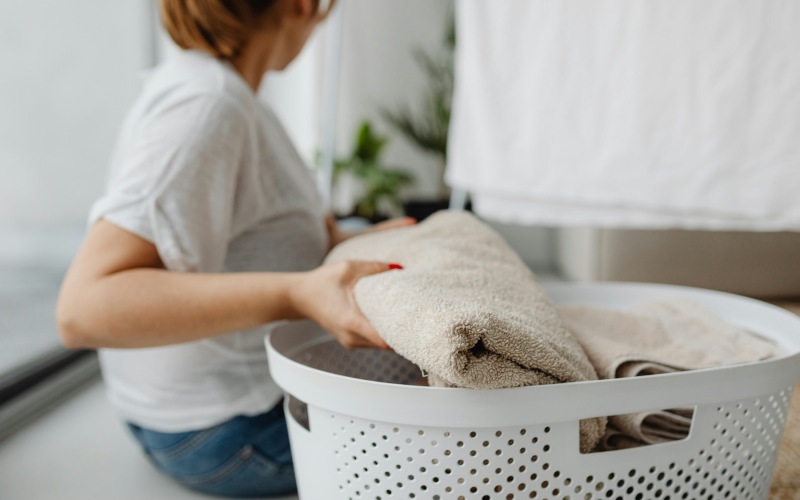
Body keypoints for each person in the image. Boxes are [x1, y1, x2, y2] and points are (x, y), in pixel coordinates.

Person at [56, 0, 414, 496]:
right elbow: (83, 310)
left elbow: (256, 235)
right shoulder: (207, 108)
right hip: (225, 431)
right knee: (472, 436)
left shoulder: (223, 93)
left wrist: (348, 242)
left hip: (192, 419)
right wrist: (297, 294)